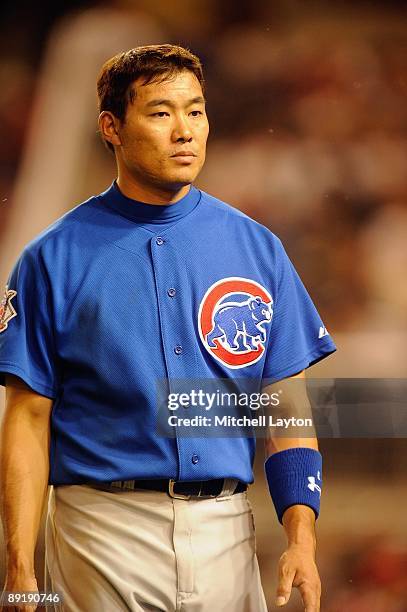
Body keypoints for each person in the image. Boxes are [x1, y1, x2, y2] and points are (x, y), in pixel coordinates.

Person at [0, 44, 336, 612]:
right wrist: (19, 563)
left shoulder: (258, 248)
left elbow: (286, 404)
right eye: (160, 113)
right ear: (112, 127)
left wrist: (301, 537)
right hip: (100, 528)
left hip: (228, 527)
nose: (185, 131)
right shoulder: (51, 258)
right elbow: (28, 419)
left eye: (196, 111)